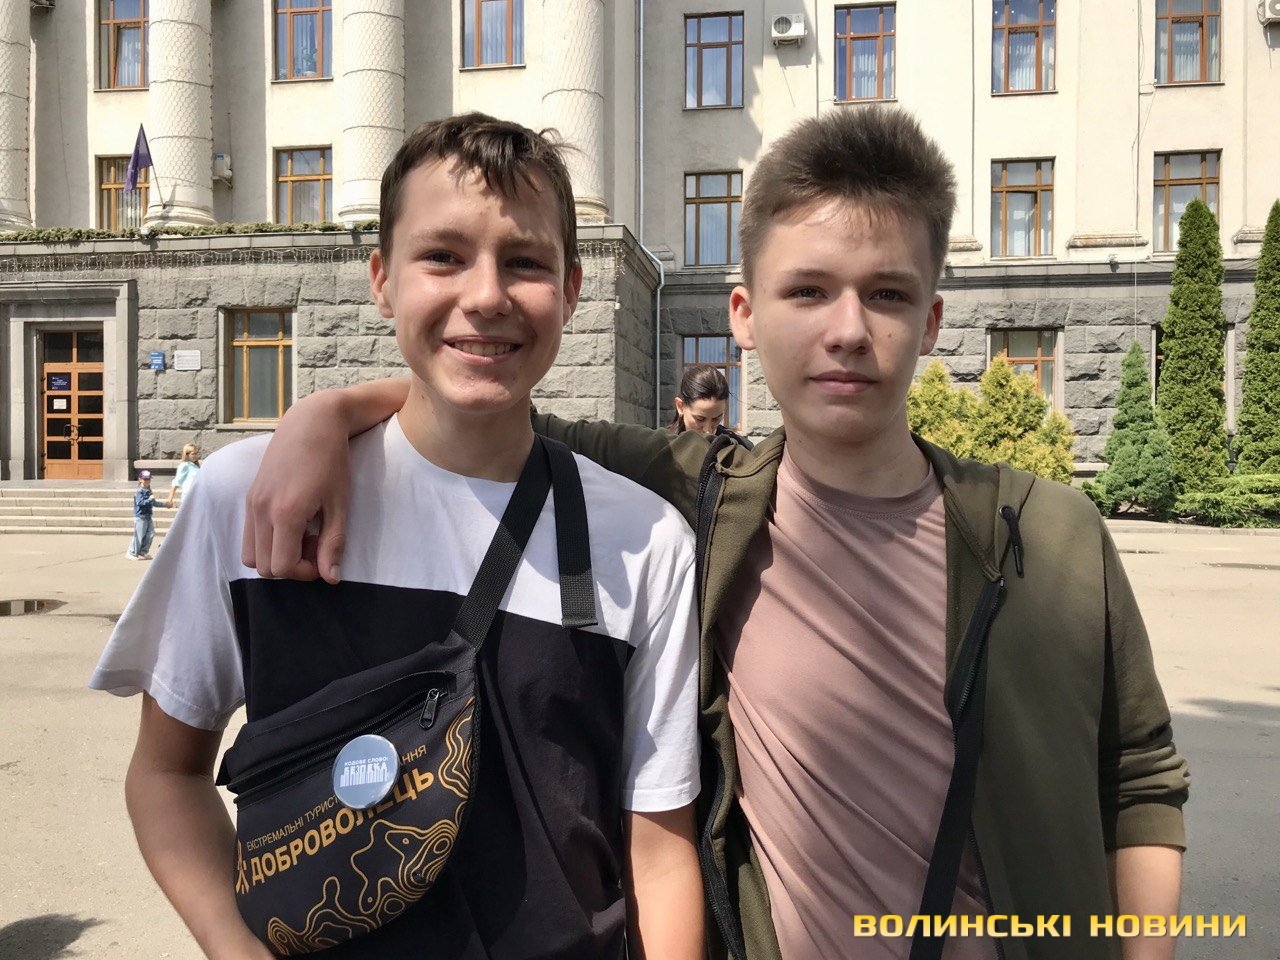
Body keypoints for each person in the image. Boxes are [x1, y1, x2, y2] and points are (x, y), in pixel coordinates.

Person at [240, 107, 1189, 960]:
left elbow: (1140, 779)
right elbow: (484, 401)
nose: (848, 330)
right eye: (807, 291)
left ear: (933, 319)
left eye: (888, 294)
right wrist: (324, 415)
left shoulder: (1051, 537)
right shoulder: (695, 496)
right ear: (744, 315)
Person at [90, 113, 704, 960]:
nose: (486, 295)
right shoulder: (254, 501)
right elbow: (166, 772)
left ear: (571, 290)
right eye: (443, 256)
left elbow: (659, 847)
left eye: (525, 262)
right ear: (382, 280)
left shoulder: (645, 540)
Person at [669, 363, 753, 449]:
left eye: (716, 419)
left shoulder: (740, 448)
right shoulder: (664, 447)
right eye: (700, 419)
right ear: (680, 406)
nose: (708, 431)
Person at [125, 469, 155, 560]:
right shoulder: (139, 491)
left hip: (148, 516)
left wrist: (165, 505)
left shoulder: (149, 490)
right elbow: (140, 503)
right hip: (140, 517)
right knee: (139, 536)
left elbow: (153, 502)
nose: (147, 481)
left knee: (150, 534)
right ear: (140, 480)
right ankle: (131, 553)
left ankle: (143, 551)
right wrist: (149, 499)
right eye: (145, 479)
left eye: (148, 479)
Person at [165, 442, 201, 508]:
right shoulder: (184, 465)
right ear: (187, 455)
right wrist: (169, 500)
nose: (196, 455)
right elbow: (176, 482)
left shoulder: (196, 466)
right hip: (189, 497)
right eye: (193, 454)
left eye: (196, 453)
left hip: (198, 496)